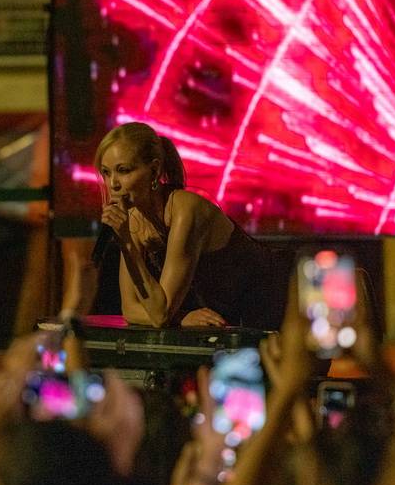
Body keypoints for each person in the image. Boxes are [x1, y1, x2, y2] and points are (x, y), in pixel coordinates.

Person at [95, 121, 295, 329]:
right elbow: (130, 310)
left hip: (284, 299)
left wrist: (127, 244)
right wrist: (181, 317)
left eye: (123, 171)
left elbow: (160, 314)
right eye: (106, 173)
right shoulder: (133, 220)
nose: (113, 184)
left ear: (154, 171)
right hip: (241, 318)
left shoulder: (185, 210)